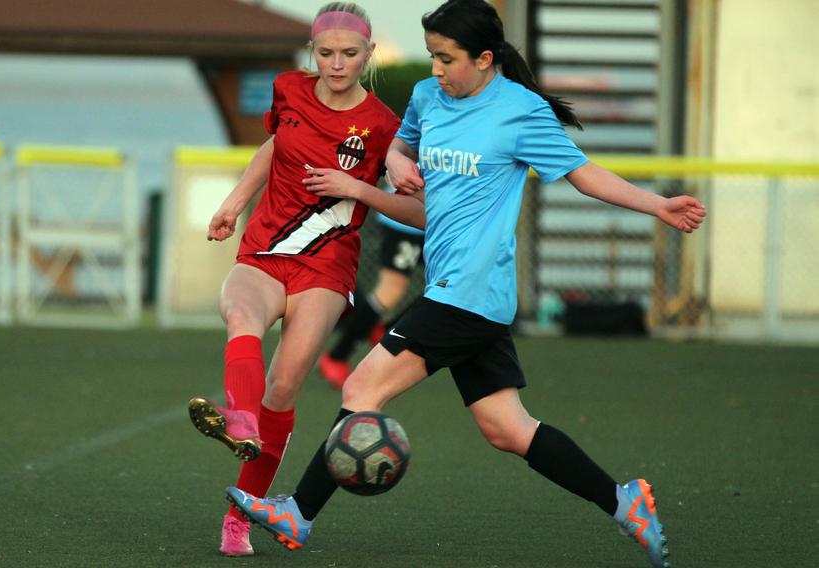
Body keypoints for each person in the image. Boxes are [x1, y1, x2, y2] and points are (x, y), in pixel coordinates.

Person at [224, 1, 706, 567]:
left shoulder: (521, 113)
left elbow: (584, 174)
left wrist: (658, 205)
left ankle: (299, 513)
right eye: (430, 56)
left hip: (469, 292)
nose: (434, 71)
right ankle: (625, 502)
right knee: (507, 428)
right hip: (457, 292)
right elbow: (400, 147)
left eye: (445, 59)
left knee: (360, 389)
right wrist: (400, 164)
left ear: (484, 59)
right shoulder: (430, 98)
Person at [186, 1, 422, 557]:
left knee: (285, 384)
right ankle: (240, 420)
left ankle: (239, 517)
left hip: (326, 264)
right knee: (240, 314)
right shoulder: (289, 89)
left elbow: (415, 209)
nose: (335, 64)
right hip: (265, 246)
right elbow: (274, 146)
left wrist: (366, 184)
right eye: (325, 53)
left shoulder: (387, 126)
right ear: (311, 54)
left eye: (348, 54)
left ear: (368, 56)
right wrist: (234, 201)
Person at [317, 204, 424, 388]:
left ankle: (388, 329)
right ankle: (337, 356)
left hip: (443, 223)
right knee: (391, 290)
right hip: (409, 220)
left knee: (448, 284)